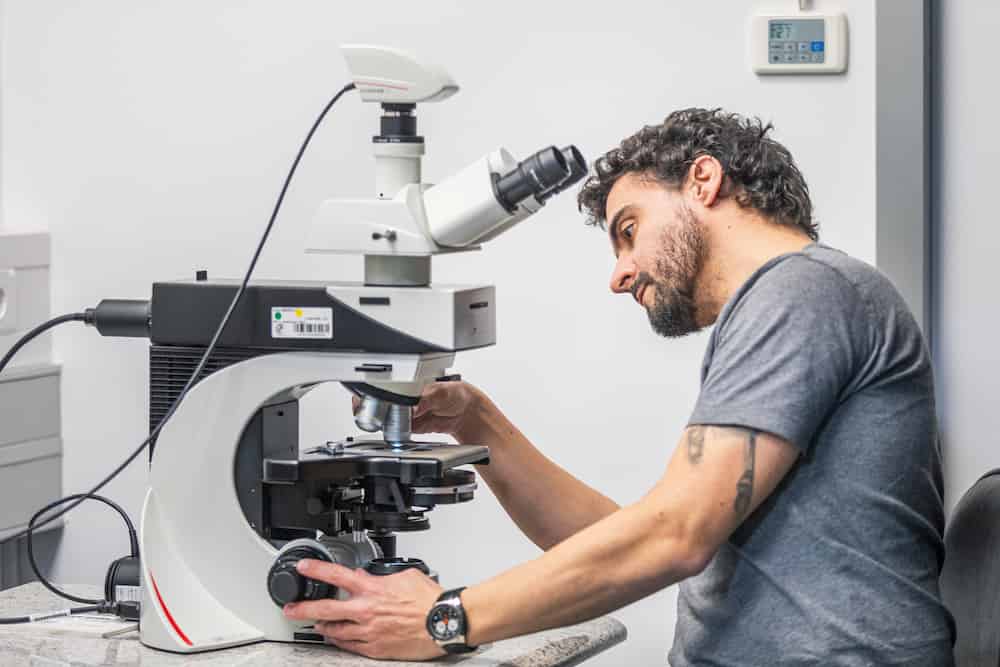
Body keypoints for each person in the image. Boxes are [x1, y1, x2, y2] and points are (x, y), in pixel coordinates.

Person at [282, 108, 956, 665]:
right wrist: (479, 424)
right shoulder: (791, 305)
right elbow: (632, 536)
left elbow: (672, 536)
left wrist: (443, 618)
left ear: (703, 180)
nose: (620, 274)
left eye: (628, 232)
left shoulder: (803, 291)